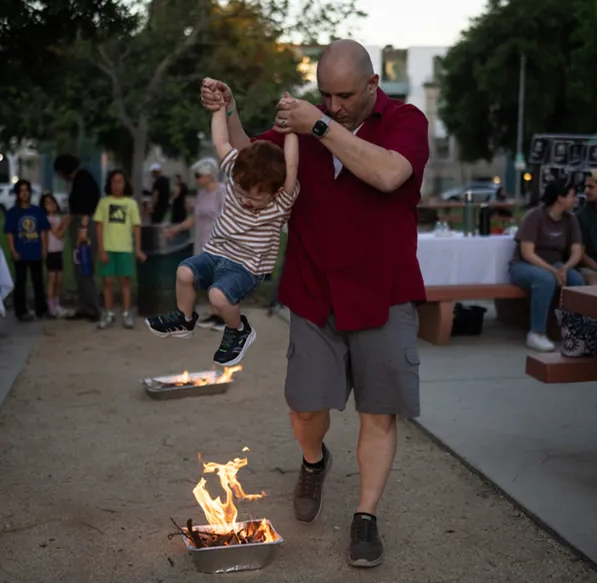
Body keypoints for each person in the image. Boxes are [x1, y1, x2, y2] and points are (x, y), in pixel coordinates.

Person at [199, 38, 427, 568]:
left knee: (379, 411)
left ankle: (365, 517)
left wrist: (319, 125)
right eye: (324, 95)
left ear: (373, 85)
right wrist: (227, 108)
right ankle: (314, 459)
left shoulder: (406, 120)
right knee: (304, 407)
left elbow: (389, 174)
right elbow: (250, 156)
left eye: (344, 95)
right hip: (313, 288)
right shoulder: (309, 121)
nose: (333, 105)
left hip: (384, 291)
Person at [147, 89, 300, 366]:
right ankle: (185, 319)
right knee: (183, 271)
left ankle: (238, 330)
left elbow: (290, 163)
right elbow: (220, 140)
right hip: (215, 253)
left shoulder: (282, 199)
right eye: (242, 194)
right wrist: (218, 108)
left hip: (246, 267)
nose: (247, 202)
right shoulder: (236, 170)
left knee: (218, 296)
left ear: (275, 192)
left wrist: (291, 127)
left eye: (256, 198)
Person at [509, 181, 586, 352]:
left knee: (577, 280)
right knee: (545, 279)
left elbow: (577, 251)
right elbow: (527, 253)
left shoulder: (571, 219)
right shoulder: (535, 216)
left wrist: (565, 268)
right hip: (524, 265)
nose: (576, 200)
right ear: (560, 198)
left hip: (557, 265)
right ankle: (536, 333)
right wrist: (553, 271)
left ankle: (575, 332)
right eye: (572, 195)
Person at [165, 157, 227, 331]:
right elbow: (194, 218)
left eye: (199, 175)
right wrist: (175, 229)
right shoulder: (202, 194)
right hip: (201, 241)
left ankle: (223, 317)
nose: (197, 178)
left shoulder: (222, 192)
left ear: (209, 175)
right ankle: (214, 314)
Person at [93, 170, 146, 329]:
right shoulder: (104, 202)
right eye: (114, 182)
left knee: (124, 281)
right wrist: (101, 250)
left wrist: (138, 249)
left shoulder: (131, 203)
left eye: (120, 182)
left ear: (125, 184)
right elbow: (99, 227)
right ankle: (108, 314)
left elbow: (136, 227)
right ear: (110, 184)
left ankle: (126, 313)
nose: (117, 185)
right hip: (108, 248)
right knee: (107, 281)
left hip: (125, 249)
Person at [54, 154, 102, 321]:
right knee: (78, 267)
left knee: (85, 266)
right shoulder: (78, 180)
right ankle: (84, 306)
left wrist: (82, 228)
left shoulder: (84, 179)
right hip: (77, 224)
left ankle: (93, 308)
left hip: (84, 227)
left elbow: (88, 205)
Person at [3, 180, 49, 322]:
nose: (24, 193)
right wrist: (12, 250)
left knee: (38, 281)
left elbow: (42, 231)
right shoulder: (12, 213)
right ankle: (21, 311)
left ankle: (41, 309)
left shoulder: (37, 211)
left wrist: (44, 248)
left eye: (27, 190)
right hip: (20, 251)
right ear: (17, 194)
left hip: (35, 250)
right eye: (21, 191)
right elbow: (9, 233)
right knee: (21, 282)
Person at [40, 192, 70, 317]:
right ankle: (51, 305)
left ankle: (57, 303)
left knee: (59, 279)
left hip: (58, 251)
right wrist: (66, 222)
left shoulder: (57, 218)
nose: (51, 205)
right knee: (52, 279)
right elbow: (58, 234)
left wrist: (64, 221)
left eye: (52, 202)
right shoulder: (47, 220)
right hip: (51, 252)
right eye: (47, 203)